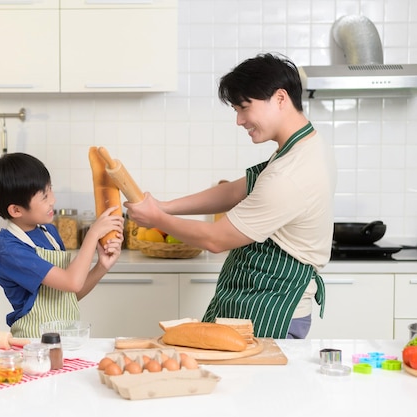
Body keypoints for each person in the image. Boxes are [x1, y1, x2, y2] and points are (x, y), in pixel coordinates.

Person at [124, 53, 337, 339]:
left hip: (270, 310)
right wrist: (165, 207)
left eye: (244, 107)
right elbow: (237, 190)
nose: (239, 120)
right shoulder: (304, 146)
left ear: (280, 98)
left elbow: (216, 239)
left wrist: (157, 218)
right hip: (254, 301)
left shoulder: (291, 174)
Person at [0, 152, 124, 338]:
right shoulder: (10, 250)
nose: (53, 200)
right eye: (44, 197)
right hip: (33, 343)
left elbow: (69, 295)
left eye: (50, 190)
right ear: (16, 210)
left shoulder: (48, 233)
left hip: (66, 338)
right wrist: (92, 234)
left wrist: (102, 266)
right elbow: (71, 282)